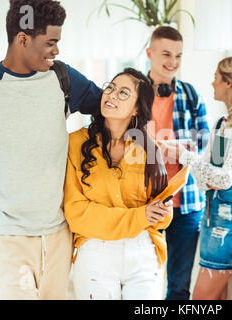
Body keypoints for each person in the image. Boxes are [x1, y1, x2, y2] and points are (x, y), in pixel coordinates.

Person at [0, 0, 165, 300]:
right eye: (50, 43)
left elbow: (113, 111)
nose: (56, 51)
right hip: (8, 235)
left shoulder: (62, 78)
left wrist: (149, 144)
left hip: (58, 235)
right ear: (23, 39)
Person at [160, 56, 232, 300]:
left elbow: (223, 179)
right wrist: (193, 160)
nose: (212, 84)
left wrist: (185, 156)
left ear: (229, 83)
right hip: (213, 217)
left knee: (201, 299)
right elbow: (205, 179)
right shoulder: (224, 124)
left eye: (216, 78)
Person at [64, 68, 173, 300]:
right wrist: (141, 216)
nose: (111, 95)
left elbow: (162, 218)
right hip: (95, 253)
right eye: (110, 88)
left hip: (143, 253)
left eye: (123, 93)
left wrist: (162, 211)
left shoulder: (150, 149)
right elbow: (76, 213)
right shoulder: (75, 143)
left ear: (136, 108)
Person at [145, 26, 210, 300]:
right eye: (166, 54)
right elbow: (124, 143)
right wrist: (173, 148)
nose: (173, 62)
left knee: (179, 288)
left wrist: (162, 147)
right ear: (150, 53)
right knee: (144, 281)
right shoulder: (134, 94)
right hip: (146, 201)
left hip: (187, 205)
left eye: (179, 55)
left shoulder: (191, 95)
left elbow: (206, 144)